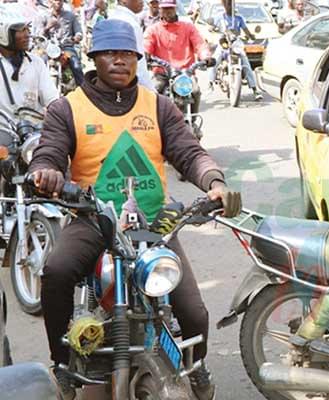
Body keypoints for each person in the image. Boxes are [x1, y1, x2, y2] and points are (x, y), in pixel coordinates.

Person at [28, 19, 242, 400]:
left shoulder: (158, 105)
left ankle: (197, 366)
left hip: (153, 222)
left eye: (127, 54)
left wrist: (214, 182)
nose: (120, 61)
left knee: (194, 312)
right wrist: (46, 172)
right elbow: (49, 151)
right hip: (96, 220)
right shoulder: (67, 108)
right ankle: (61, 363)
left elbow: (188, 151)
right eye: (110, 53)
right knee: (57, 272)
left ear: (136, 60)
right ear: (94, 58)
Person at [144, 0, 212, 113]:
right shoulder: (153, 30)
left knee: (195, 91)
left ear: (175, 8)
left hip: (186, 73)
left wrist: (206, 57)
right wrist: (146, 55)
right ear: (159, 10)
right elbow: (147, 44)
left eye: (170, 8)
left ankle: (193, 121)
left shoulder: (188, 27)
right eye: (164, 9)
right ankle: (156, 124)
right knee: (153, 92)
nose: (167, 11)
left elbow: (199, 44)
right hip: (162, 73)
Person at [0, 14, 60, 118]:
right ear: (3, 34)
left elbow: (51, 98)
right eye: (21, 30)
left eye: (28, 29)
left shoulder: (36, 62)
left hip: (33, 127)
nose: (27, 35)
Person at [207, 0, 262, 100]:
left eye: (231, 3)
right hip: (224, 43)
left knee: (246, 63)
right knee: (215, 60)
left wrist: (251, 36)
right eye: (227, 3)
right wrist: (211, 27)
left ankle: (255, 89)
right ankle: (210, 84)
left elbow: (246, 31)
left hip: (236, 43)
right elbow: (211, 26)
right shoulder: (220, 17)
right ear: (224, 5)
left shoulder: (239, 18)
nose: (229, 5)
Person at [109, 0, 155, 89]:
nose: (142, 1)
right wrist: (151, 92)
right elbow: (139, 66)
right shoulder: (130, 24)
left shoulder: (112, 18)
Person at [42, 0, 84, 85]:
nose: (58, 2)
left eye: (60, 0)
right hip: (49, 48)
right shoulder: (44, 16)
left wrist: (77, 37)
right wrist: (47, 28)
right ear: (50, 2)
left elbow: (79, 32)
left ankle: (83, 89)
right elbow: (38, 35)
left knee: (76, 65)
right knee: (39, 63)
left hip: (66, 47)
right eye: (55, 0)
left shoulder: (71, 16)